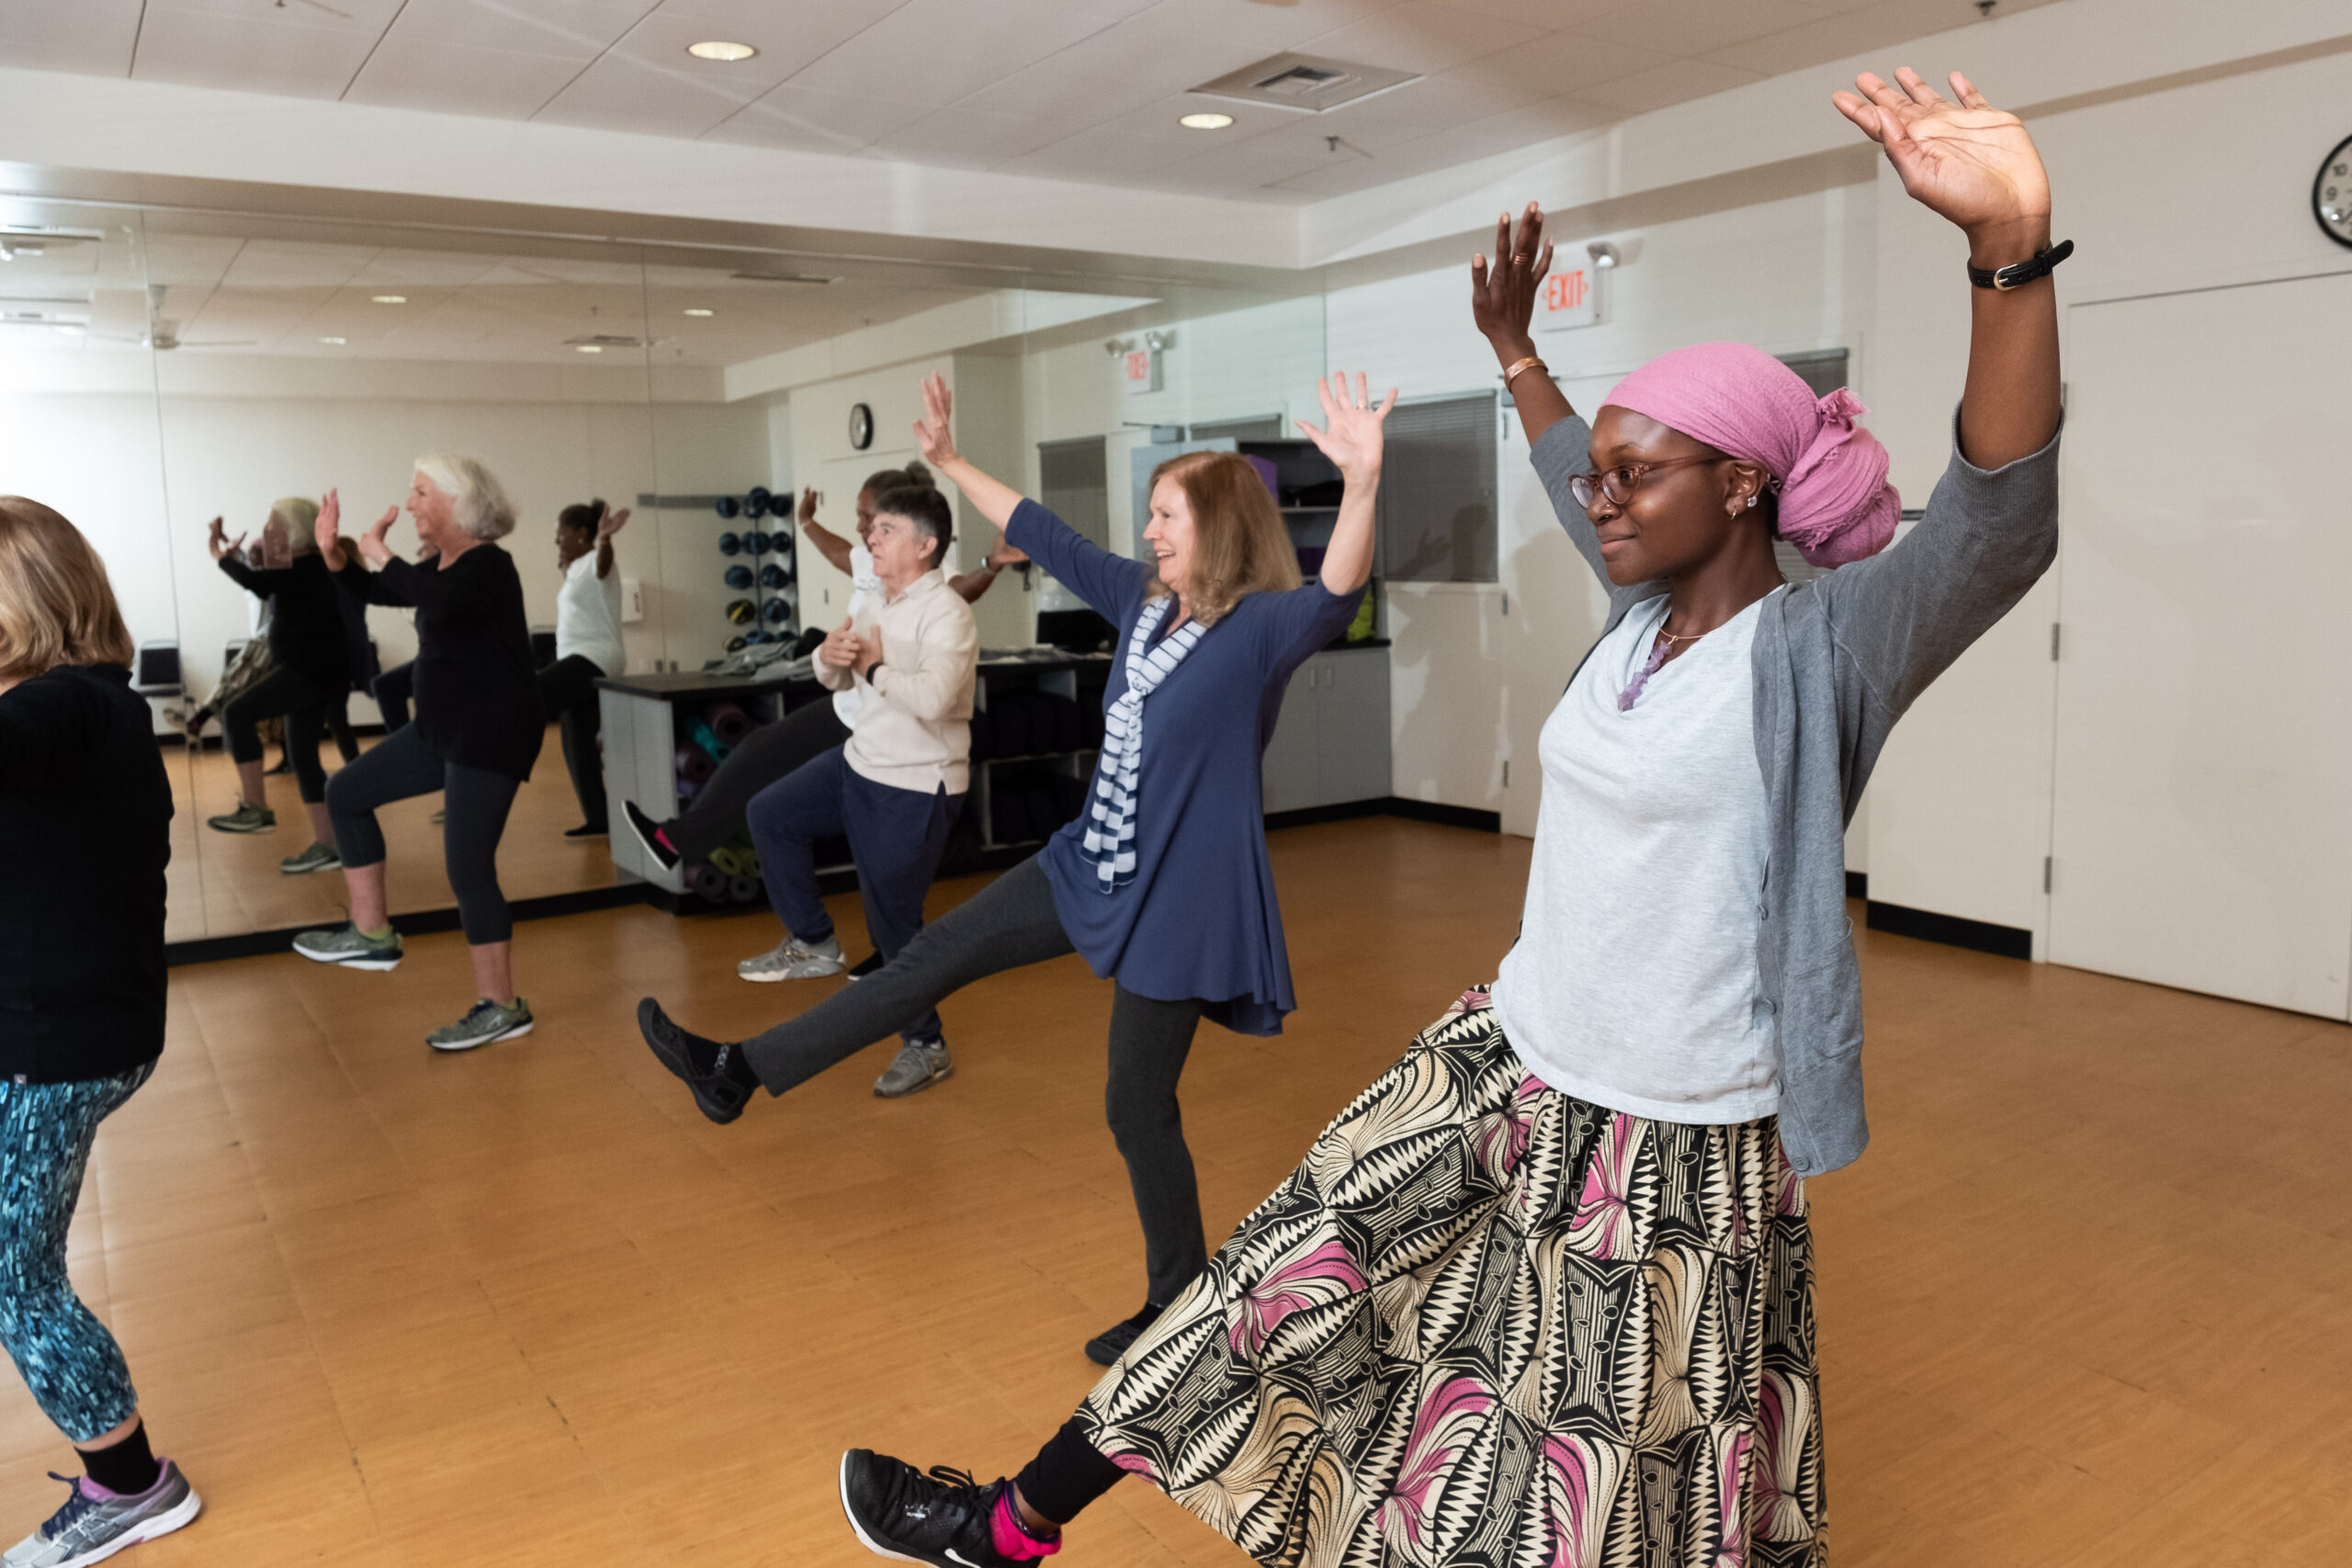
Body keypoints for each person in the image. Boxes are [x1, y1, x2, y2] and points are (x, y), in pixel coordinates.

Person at [830, 64, 2065, 1568]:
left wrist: (2008, 253)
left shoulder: (1821, 649)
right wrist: (1515, 347)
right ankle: (1008, 1527)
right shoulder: (1640, 618)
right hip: (1506, 1049)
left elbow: (1999, 526)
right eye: (1601, 472)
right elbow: (1565, 464)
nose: (1600, 498)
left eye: (1639, 473)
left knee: (1589, 1481)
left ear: (1742, 483)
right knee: (1274, 1273)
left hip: (1672, 1131)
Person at [639, 367, 1390, 1362]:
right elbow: (1047, 530)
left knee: (1135, 1106)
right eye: (1151, 515)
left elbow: (1338, 590)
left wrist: (1364, 484)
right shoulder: (1142, 599)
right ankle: (741, 1072)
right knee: (923, 960)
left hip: (1177, 902)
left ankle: (1175, 1305)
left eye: (1167, 515)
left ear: (1217, 525)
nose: (1151, 532)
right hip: (1086, 863)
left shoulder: (1257, 631)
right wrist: (949, 462)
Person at [0, 497, 203, 1567]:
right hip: (65, 1024)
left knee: (12, 1275)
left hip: (57, 1044)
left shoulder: (65, 710)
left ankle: (130, 1486)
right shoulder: (89, 707)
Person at [623, 461, 1022, 935]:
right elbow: (839, 555)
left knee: (879, 880)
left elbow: (956, 594)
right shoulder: (874, 567)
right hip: (854, 709)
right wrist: (808, 524)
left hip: (881, 730)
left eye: (874, 521)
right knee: (764, 787)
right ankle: (810, 934)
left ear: (915, 538)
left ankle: (882, 961)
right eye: (863, 520)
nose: (865, 531)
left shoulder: (925, 581)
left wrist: (991, 565)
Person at [732, 483, 979, 1099]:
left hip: (916, 785)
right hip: (858, 763)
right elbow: (833, 674)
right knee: (771, 813)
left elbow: (930, 698)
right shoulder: (878, 602)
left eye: (886, 529)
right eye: (874, 529)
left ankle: (926, 1045)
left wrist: (868, 664)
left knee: (893, 927)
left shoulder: (947, 612)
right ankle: (814, 940)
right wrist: (830, 656)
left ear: (924, 545)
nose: (870, 536)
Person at [293, 459, 546, 1054]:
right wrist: (336, 555)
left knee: (467, 867)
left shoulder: (489, 564)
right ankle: (371, 932)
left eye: (421, 492)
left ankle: (501, 1005)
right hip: (442, 727)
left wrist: (379, 550)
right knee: (346, 792)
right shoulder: (439, 563)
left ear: (461, 504)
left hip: (490, 732)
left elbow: (441, 600)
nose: (409, 505)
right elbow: (379, 590)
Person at [200, 499, 356, 875]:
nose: (267, 528)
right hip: (314, 671)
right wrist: (237, 554)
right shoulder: (301, 566)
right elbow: (267, 577)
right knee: (303, 758)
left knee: (236, 711)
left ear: (293, 530)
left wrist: (219, 554)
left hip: (311, 671)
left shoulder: (307, 565)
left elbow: (258, 581)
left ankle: (256, 809)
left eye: (274, 522)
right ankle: (328, 845)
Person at [535, 499, 630, 837]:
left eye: (561, 533)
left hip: (595, 658)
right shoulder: (575, 568)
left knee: (529, 696)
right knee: (577, 746)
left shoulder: (595, 560)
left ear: (581, 533)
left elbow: (603, 565)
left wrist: (605, 540)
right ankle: (600, 820)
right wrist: (563, 561)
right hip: (580, 659)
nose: (557, 539)